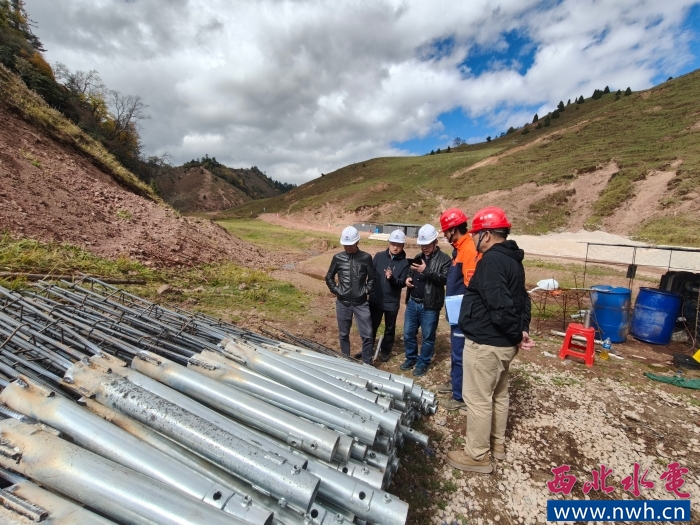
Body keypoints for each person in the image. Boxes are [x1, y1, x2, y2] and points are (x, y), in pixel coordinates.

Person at [447, 207, 535, 474]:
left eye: (476, 234)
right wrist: (521, 330)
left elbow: (501, 306)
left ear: (486, 235)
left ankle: (477, 455)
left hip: (487, 343)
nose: (473, 238)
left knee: (478, 399)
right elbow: (522, 299)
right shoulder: (512, 260)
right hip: (503, 343)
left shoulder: (491, 261)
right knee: (499, 394)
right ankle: (496, 444)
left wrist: (516, 334)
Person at [438, 208, 480, 411]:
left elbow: (471, 287)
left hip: (463, 314)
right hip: (456, 313)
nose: (444, 235)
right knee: (455, 351)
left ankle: (460, 396)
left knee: (460, 354)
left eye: (445, 231)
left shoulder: (469, 250)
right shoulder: (459, 248)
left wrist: (465, 315)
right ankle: (456, 383)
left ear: (453, 230)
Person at [400, 224, 451, 376]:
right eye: (422, 245)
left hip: (430, 305)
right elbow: (410, 272)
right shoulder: (418, 256)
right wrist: (408, 279)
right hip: (413, 302)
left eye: (427, 245)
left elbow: (445, 279)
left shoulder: (444, 259)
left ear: (435, 242)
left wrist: (426, 271)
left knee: (428, 337)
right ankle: (411, 358)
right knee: (408, 333)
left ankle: (423, 362)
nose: (424, 248)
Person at [325, 226, 377, 364]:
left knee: (367, 335)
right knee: (343, 334)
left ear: (357, 242)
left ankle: (367, 363)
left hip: (361, 303)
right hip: (343, 303)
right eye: (345, 245)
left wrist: (366, 290)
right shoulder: (338, 258)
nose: (347, 247)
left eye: (350, 245)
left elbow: (372, 278)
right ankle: (346, 362)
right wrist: (337, 290)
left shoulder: (366, 258)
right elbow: (329, 277)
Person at [367, 229, 410, 362]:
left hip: (391, 302)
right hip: (376, 299)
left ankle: (386, 351)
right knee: (371, 326)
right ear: (389, 243)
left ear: (403, 245)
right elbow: (371, 274)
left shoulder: (405, 263)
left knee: (389, 328)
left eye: (398, 245)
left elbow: (402, 283)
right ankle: (367, 349)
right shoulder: (379, 256)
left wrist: (391, 279)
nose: (395, 247)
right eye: (393, 244)